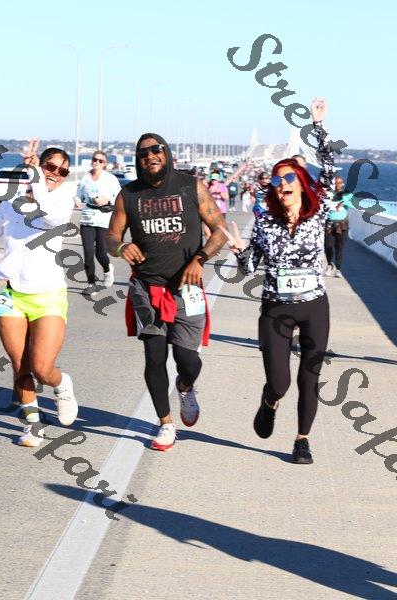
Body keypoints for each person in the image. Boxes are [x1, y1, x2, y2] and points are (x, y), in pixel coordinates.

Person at [223, 99, 334, 464]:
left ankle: (302, 440)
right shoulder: (265, 223)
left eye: (289, 179)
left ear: (301, 184)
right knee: (281, 382)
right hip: (276, 308)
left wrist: (318, 126)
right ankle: (269, 401)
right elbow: (248, 268)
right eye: (276, 180)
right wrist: (239, 251)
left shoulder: (317, 215)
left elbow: (329, 167)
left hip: (314, 305)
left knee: (309, 377)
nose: (282, 184)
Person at [106, 133, 227, 452]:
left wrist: (200, 259)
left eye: (156, 149)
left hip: (187, 288)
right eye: (143, 152)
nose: (150, 155)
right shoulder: (129, 194)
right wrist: (121, 247)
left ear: (166, 153)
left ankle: (186, 386)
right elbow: (111, 237)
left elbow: (220, 230)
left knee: (188, 360)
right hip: (147, 288)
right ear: (138, 159)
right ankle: (166, 423)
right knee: (154, 356)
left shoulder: (191, 186)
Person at [0, 139, 78, 447]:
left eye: (62, 171)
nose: (56, 173)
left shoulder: (60, 202)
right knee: (20, 365)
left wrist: (35, 176)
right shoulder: (10, 202)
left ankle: (62, 385)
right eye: (50, 166)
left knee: (42, 368)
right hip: (10, 294)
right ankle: (33, 425)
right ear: (41, 165)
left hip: (48, 295)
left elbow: (47, 216)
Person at [77, 150, 121, 294]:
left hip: (104, 218)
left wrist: (107, 200)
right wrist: (77, 200)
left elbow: (119, 197)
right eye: (95, 159)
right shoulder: (85, 178)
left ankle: (107, 269)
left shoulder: (110, 179)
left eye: (100, 161)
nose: (97, 162)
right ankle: (91, 284)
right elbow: (79, 195)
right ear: (92, 161)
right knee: (88, 253)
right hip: (87, 218)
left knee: (100, 253)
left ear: (105, 164)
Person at [324, 176, 354, 277]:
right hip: (330, 223)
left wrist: (344, 201)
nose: (338, 185)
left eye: (340, 183)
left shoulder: (347, 194)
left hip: (342, 224)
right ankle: (329, 265)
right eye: (336, 183)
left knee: (339, 247)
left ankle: (338, 269)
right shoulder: (329, 193)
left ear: (343, 184)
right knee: (328, 246)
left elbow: (354, 204)